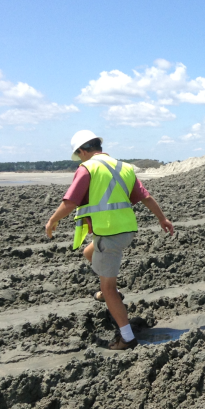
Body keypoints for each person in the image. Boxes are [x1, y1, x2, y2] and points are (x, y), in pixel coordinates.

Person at [44, 130, 174, 350]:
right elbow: (146, 196)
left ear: (83, 151)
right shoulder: (123, 167)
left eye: (79, 154)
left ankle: (127, 338)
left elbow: (70, 202)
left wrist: (52, 221)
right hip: (125, 231)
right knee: (89, 253)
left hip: (110, 233)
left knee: (109, 288)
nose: (81, 158)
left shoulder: (87, 169)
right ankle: (108, 293)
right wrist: (162, 218)